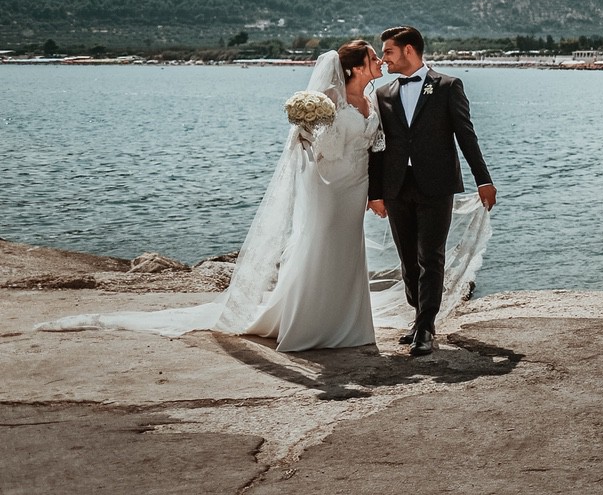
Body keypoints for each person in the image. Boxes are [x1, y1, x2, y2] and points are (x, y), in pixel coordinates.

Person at [41, 41, 385, 352]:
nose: (379, 60)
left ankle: (349, 325)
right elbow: (323, 149)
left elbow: (377, 145)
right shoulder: (329, 98)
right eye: (373, 57)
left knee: (348, 247)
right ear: (354, 67)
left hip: (356, 186)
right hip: (327, 186)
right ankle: (310, 323)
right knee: (321, 243)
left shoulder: (370, 99)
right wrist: (311, 131)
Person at [370, 26, 496, 357]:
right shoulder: (383, 94)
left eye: (388, 52)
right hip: (396, 187)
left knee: (431, 255)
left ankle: (426, 327)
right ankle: (418, 316)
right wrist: (375, 192)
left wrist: (483, 180)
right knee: (407, 259)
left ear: (409, 50)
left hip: (436, 185)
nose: (384, 58)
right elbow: (377, 148)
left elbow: (466, 136)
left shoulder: (447, 86)